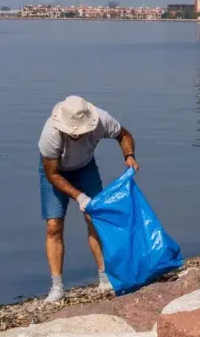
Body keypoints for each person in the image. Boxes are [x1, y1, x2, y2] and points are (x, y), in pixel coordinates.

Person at [38, 96, 139, 303]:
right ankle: (57, 287)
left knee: (95, 220)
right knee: (54, 226)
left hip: (85, 168)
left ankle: (104, 277)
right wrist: (79, 196)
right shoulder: (50, 133)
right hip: (56, 173)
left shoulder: (102, 119)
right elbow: (52, 174)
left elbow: (123, 134)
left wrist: (128, 155)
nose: (76, 134)